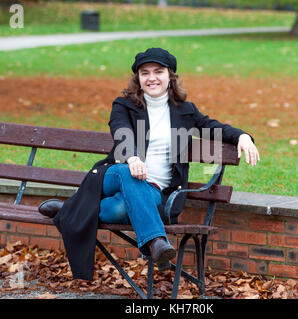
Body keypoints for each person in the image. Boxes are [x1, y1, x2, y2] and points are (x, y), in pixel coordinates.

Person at [38, 48, 260, 281]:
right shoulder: (124, 105)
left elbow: (213, 127)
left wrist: (242, 136)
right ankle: (156, 242)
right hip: (116, 174)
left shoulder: (185, 111)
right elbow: (121, 131)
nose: (152, 77)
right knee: (128, 174)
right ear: (138, 79)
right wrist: (133, 158)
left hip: (155, 192)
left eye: (158, 71)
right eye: (145, 73)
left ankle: (67, 211)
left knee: (120, 208)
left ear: (170, 76)